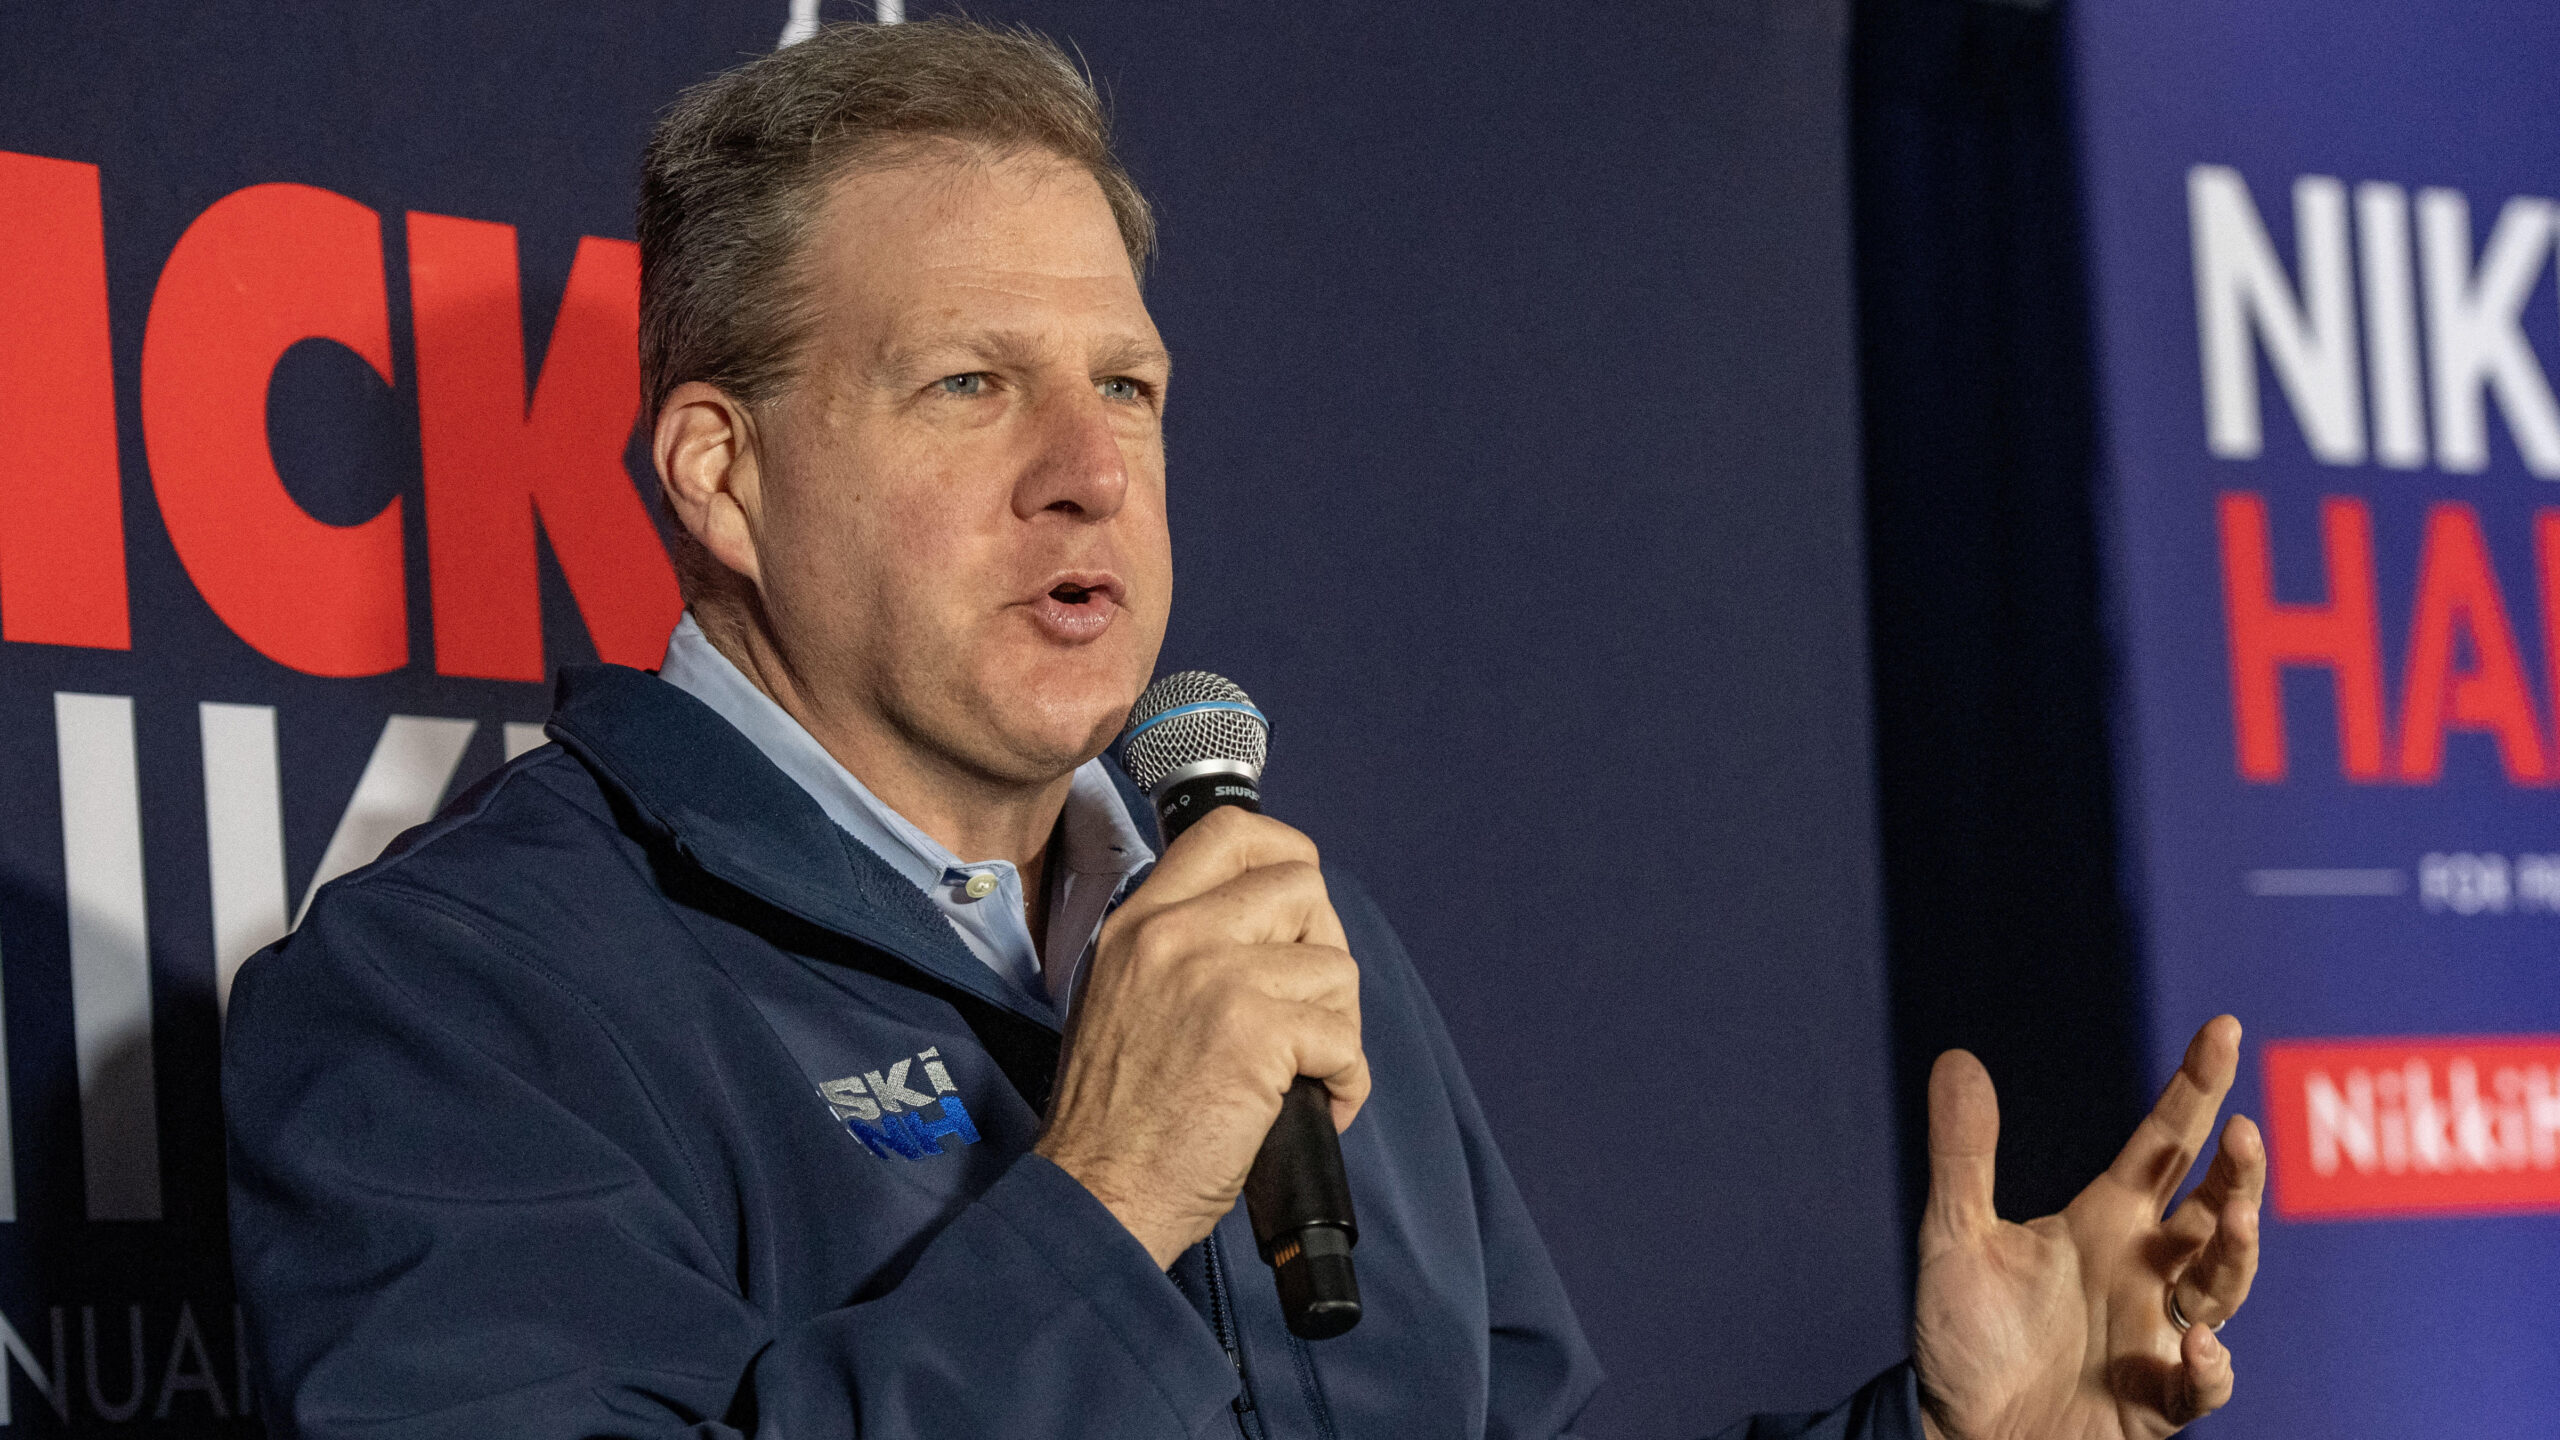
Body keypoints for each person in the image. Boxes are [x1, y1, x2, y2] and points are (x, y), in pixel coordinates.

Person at [223, 20, 2263, 1440]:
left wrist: (1942, 1430)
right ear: (720, 474)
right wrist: (1100, 1204)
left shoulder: (1287, 941)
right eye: (966, 385)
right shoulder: (451, 1006)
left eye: (1125, 386)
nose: (1086, 470)